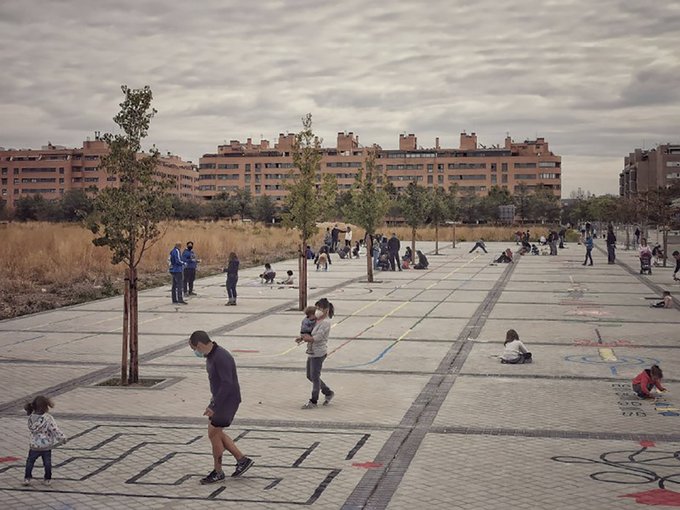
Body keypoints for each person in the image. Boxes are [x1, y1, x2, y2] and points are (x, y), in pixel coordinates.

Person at [189, 330, 254, 484]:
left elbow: (227, 383)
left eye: (194, 349)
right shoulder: (211, 356)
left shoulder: (221, 357)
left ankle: (218, 471)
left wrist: (214, 405)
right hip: (220, 400)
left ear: (199, 344)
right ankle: (241, 460)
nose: (195, 352)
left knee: (213, 433)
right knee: (216, 433)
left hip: (227, 401)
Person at [299, 298, 335, 409]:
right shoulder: (316, 320)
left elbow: (317, 337)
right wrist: (302, 337)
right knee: (310, 375)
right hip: (311, 351)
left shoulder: (326, 322)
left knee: (315, 377)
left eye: (320, 308)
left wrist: (308, 338)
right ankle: (328, 392)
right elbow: (309, 332)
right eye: (317, 308)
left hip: (318, 353)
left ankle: (313, 401)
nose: (317, 310)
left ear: (326, 310)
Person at [22, 396, 66, 487]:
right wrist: (62, 438)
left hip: (34, 445)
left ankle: (27, 478)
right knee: (47, 463)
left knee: (30, 462)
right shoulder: (48, 418)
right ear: (46, 407)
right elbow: (54, 429)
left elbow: (31, 429)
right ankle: (47, 479)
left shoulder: (31, 418)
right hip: (46, 446)